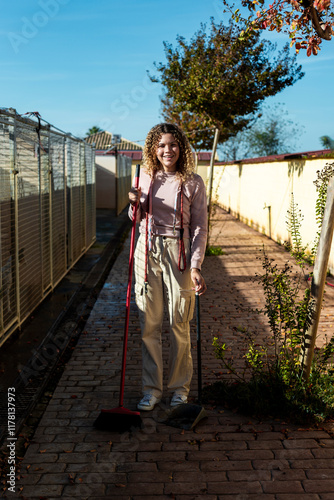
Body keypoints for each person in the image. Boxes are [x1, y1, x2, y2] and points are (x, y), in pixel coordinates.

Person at [128, 123, 207, 411]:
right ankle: (152, 390)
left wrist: (196, 265)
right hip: (147, 250)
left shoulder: (193, 181)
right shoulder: (144, 177)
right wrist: (134, 202)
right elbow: (134, 218)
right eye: (161, 145)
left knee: (178, 322)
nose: (167, 150)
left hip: (180, 253)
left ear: (181, 148)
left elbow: (199, 227)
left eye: (172, 144)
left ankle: (179, 389)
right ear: (153, 149)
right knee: (149, 323)